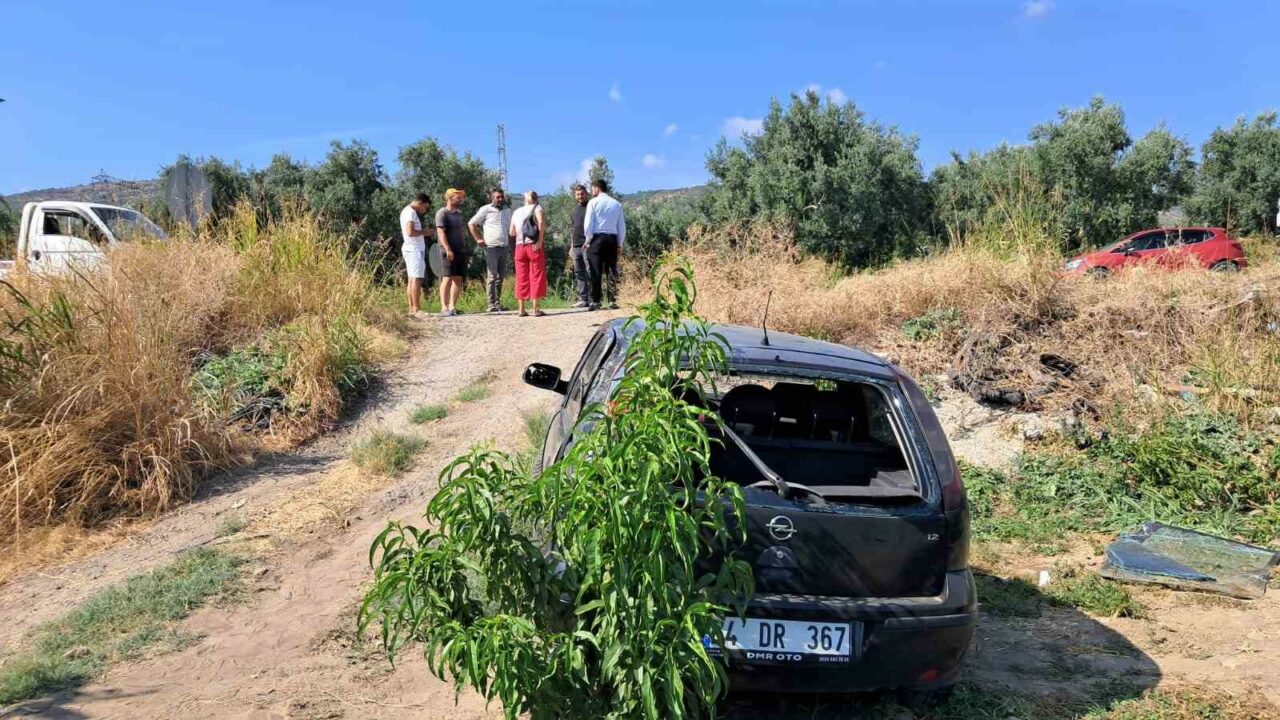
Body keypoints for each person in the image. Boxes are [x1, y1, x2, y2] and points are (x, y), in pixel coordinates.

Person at [468, 188, 513, 312]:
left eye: (501, 197)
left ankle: (498, 304)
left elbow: (511, 229)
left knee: (501, 276)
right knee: (492, 276)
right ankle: (490, 304)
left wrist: (512, 246)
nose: (500, 199)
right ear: (492, 198)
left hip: (504, 247)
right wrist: (478, 239)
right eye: (497, 197)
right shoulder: (486, 209)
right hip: (491, 247)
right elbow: (471, 223)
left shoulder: (507, 211)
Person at [583, 178, 625, 310]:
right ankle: (613, 300)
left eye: (592, 188)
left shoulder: (593, 202)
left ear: (596, 188)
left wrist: (588, 239)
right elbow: (621, 226)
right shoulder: (617, 204)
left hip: (597, 238)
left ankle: (596, 301)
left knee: (596, 270)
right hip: (612, 239)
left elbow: (588, 223)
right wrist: (619, 243)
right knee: (612, 269)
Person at [508, 190, 548, 317]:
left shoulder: (516, 212)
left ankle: (521, 309)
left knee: (521, 276)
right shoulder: (538, 208)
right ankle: (536, 309)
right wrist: (540, 241)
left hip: (519, 247)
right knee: (536, 275)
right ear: (535, 198)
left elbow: (511, 233)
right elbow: (541, 223)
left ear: (526, 199)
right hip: (533, 245)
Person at [435, 188, 470, 316]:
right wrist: (448, 249)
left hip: (461, 250)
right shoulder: (442, 213)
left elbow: (461, 232)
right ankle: (444, 308)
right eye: (457, 196)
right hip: (448, 250)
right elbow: (441, 233)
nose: (460, 199)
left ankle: (452, 307)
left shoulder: (459, 214)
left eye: (461, 196)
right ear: (450, 197)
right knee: (447, 278)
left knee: (458, 279)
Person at [399, 193, 432, 313]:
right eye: (425, 207)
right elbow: (410, 232)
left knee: (412, 279)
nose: (424, 210)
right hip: (414, 249)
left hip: (412, 248)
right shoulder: (410, 212)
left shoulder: (407, 211)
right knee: (416, 279)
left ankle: (412, 308)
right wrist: (426, 232)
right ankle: (416, 309)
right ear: (420, 203)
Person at [569, 184, 591, 308]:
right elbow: (573, 229)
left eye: (582, 194)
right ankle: (584, 299)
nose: (580, 196)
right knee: (579, 272)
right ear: (575, 196)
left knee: (590, 271)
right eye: (578, 194)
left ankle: (594, 299)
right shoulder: (575, 210)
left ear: (586, 194)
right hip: (576, 246)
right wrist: (571, 246)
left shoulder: (590, 207)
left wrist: (590, 241)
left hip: (587, 245)